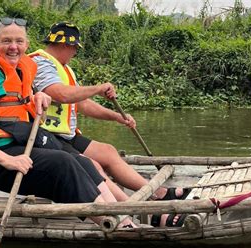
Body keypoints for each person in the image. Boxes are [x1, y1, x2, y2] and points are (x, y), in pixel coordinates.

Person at [0, 17, 136, 228]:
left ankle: (123, 218)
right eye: (6, 41)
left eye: (19, 41)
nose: (13, 47)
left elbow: (15, 102)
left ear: (27, 45)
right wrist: (8, 161)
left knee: (81, 160)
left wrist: (36, 96)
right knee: (61, 163)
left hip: (10, 147)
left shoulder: (21, 68)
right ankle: (113, 224)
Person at [29, 22, 190, 227]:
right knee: (92, 165)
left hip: (65, 134)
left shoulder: (65, 68)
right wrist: (97, 88)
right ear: (65, 45)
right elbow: (59, 93)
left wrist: (116, 116)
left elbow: (83, 104)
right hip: (45, 135)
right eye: (75, 48)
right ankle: (143, 213)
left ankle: (157, 194)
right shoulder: (40, 63)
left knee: (107, 151)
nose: (75, 52)